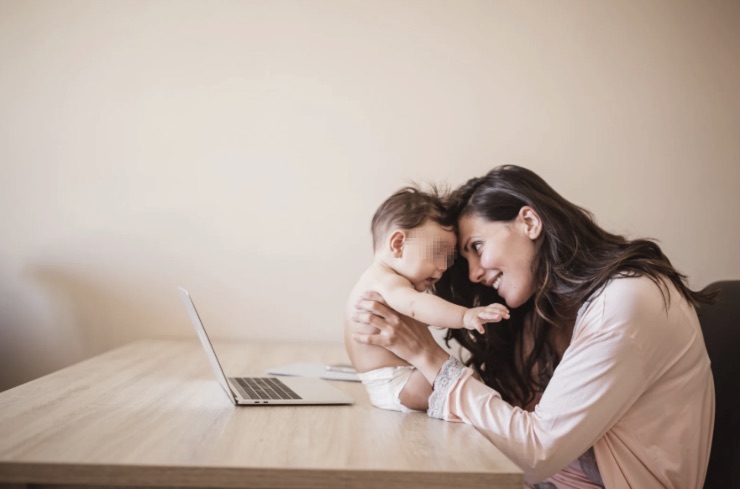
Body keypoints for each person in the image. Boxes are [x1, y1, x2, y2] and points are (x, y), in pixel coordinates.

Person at [351, 165, 715, 488]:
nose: (475, 273)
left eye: (477, 246)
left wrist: (425, 354)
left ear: (529, 222)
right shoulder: (547, 308)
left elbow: (538, 452)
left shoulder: (624, 302)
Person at [344, 185, 510, 413]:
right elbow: (415, 307)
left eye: (448, 259)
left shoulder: (377, 280)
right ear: (398, 244)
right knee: (472, 392)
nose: (442, 268)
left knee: (465, 389)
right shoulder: (385, 280)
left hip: (389, 383)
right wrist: (466, 316)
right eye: (437, 253)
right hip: (400, 382)